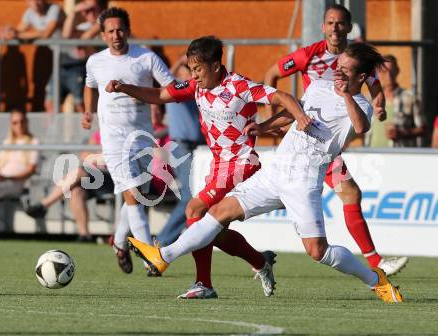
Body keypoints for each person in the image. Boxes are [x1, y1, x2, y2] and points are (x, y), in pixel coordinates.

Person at [127, 43, 404, 303]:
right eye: (337, 65)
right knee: (219, 212)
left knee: (317, 251)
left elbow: (360, 126)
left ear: (362, 76)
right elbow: (292, 113)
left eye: (345, 69)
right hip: (276, 172)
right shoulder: (319, 86)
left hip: (303, 180)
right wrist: (265, 126)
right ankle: (163, 256)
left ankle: (374, 279)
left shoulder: (361, 105)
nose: (337, 71)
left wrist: (345, 94)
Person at [106, 36, 312, 298]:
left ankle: (202, 282)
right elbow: (160, 94)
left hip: (241, 163)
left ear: (216, 66)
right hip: (219, 166)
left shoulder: (239, 86)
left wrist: (300, 117)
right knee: (210, 231)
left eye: (198, 69)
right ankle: (260, 261)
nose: (194, 75)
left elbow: (282, 96)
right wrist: (125, 88)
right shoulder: (196, 86)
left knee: (194, 209)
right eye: (192, 70)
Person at [263, 3, 408, 275]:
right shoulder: (309, 54)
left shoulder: (357, 57)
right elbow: (272, 74)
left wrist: (379, 106)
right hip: (310, 142)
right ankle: (376, 265)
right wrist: (278, 121)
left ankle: (258, 257)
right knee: (349, 193)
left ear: (349, 28)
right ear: (323, 27)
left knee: (346, 194)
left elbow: (375, 89)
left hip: (330, 140)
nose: (335, 28)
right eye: (330, 23)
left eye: (340, 23)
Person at [81, 7, 175, 274]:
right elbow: (89, 86)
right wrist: (87, 111)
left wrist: (143, 94)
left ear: (128, 31)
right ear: (102, 35)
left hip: (142, 137)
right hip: (113, 140)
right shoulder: (95, 61)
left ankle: (119, 242)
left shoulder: (146, 57)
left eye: (120, 29)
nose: (116, 35)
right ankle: (150, 257)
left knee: (139, 193)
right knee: (133, 194)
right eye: (110, 31)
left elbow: (169, 88)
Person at [25, 131, 114, 242]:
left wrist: (97, 158)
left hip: (114, 177)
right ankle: (84, 235)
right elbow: (84, 154)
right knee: (76, 190)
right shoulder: (100, 133)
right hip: (95, 175)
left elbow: (114, 159)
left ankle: (44, 204)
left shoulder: (122, 131)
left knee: (80, 171)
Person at [156, 56, 205, 247]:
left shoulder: (196, 89)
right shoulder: (174, 89)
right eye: (187, 69)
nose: (191, 73)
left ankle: (174, 239)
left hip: (200, 147)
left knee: (198, 195)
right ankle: (162, 241)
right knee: (189, 196)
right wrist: (180, 62)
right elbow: (166, 76)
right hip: (182, 147)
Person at [49, 0, 108, 113]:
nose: (89, 13)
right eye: (86, 10)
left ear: (101, 9)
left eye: (93, 9)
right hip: (70, 65)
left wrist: (77, 38)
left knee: (85, 106)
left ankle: (92, 130)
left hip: (92, 70)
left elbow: (86, 36)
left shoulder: (104, 21)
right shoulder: (82, 22)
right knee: (51, 104)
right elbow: (66, 36)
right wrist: (73, 12)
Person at [368, 54, 426, 147]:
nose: (388, 75)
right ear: (378, 73)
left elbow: (423, 130)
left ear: (397, 71)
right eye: (384, 71)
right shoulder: (370, 99)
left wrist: (402, 133)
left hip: (399, 156)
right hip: (373, 157)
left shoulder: (410, 98)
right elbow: (362, 129)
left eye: (392, 71)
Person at [0, 111, 39, 200]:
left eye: (22, 121)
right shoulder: (7, 142)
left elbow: (31, 170)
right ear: (11, 125)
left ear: (26, 122)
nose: (19, 125)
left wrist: (8, 178)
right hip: (2, 180)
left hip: (16, 183)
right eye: (15, 123)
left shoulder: (34, 142)